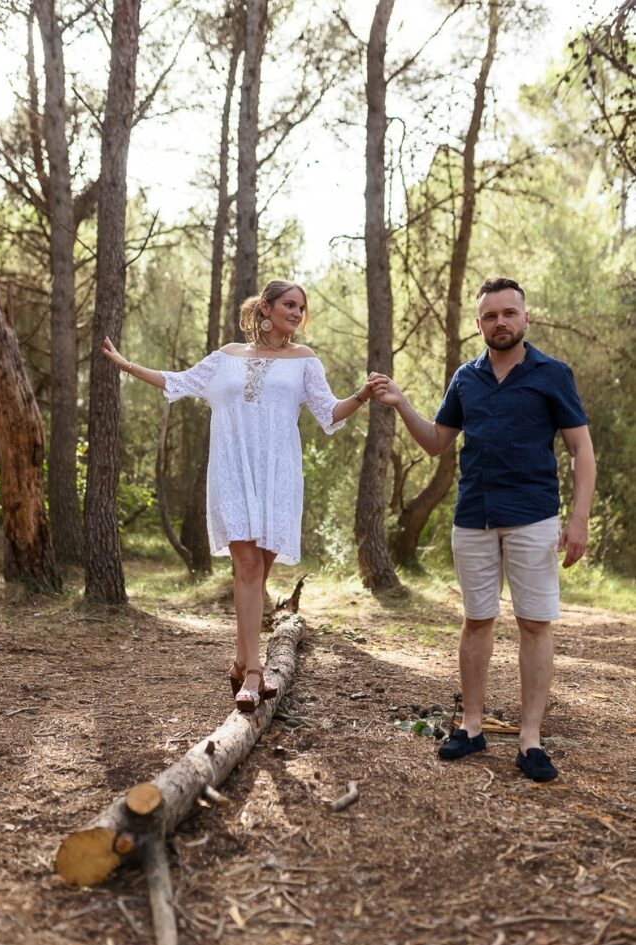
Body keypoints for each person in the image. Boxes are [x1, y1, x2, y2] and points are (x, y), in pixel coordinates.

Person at [103, 279, 374, 712]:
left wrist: (361, 395)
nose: (296, 313)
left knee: (257, 573)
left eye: (301, 308)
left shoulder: (305, 360)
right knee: (247, 565)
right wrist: (127, 364)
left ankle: (239, 662)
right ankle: (253, 672)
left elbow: (329, 413)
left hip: (278, 477)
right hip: (233, 471)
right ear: (265, 308)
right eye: (289, 304)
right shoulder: (226, 358)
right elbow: (179, 381)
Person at [371, 277, 595, 781]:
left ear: (525, 318)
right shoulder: (465, 378)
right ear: (479, 324)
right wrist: (402, 401)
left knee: (535, 624)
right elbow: (435, 442)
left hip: (534, 516)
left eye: (509, 313)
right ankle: (471, 729)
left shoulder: (552, 374)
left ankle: (530, 740)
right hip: (473, 517)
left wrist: (578, 518)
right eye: (490, 316)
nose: (500, 322)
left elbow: (582, 450)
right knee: (477, 621)